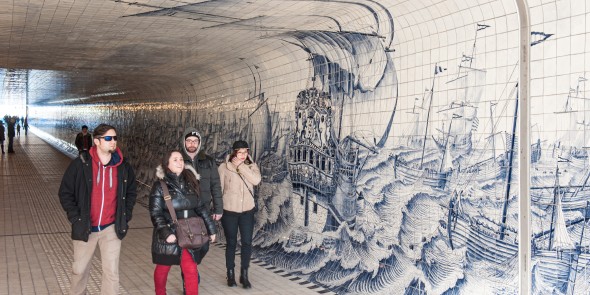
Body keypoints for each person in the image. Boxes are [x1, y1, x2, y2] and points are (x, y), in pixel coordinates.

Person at [58, 123, 137, 295]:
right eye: (108, 138)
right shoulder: (81, 164)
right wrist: (76, 218)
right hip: (86, 226)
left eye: (115, 138)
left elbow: (131, 191)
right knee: (79, 270)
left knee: (111, 274)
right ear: (97, 141)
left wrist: (125, 215)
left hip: (111, 228)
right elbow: (65, 192)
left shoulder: (123, 166)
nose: (113, 141)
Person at [149, 151, 217, 295]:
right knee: (163, 269)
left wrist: (212, 229)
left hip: (188, 234)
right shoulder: (160, 186)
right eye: (175, 160)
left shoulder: (191, 182)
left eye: (181, 159)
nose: (180, 162)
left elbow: (201, 208)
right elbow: (156, 213)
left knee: (191, 269)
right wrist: (166, 233)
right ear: (167, 165)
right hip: (169, 233)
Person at [218, 140, 261, 289]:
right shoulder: (224, 167)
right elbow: (219, 190)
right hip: (229, 211)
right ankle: (230, 274)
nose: (243, 155)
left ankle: (244, 275)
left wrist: (241, 166)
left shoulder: (251, 166)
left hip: (247, 212)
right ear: (234, 152)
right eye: (240, 152)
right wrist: (218, 209)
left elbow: (256, 180)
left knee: (247, 242)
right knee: (231, 243)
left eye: (245, 152)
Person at [180, 129, 223, 264]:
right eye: (189, 141)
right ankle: (188, 274)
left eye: (195, 141)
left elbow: (215, 185)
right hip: (185, 209)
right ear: (184, 142)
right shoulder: (178, 160)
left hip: (204, 209)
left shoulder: (208, 161)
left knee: (204, 244)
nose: (192, 144)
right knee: (186, 243)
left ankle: (193, 266)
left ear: (199, 143)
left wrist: (218, 209)